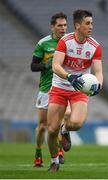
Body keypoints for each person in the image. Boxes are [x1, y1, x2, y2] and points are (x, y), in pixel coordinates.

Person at [47, 9, 103, 172]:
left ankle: (65, 130)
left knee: (77, 123)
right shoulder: (65, 41)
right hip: (59, 87)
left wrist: (98, 85)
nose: (91, 26)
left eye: (91, 23)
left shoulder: (95, 46)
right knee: (51, 130)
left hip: (79, 89)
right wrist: (69, 76)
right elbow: (55, 65)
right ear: (78, 25)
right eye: (87, 23)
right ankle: (54, 161)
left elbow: (98, 71)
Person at [31, 12, 71, 167]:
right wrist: (46, 65)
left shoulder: (70, 43)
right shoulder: (43, 43)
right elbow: (33, 66)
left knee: (62, 119)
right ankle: (38, 153)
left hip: (62, 87)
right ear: (52, 27)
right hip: (46, 88)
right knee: (42, 126)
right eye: (60, 25)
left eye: (65, 25)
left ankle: (59, 151)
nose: (63, 28)